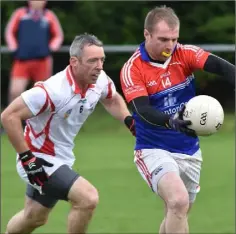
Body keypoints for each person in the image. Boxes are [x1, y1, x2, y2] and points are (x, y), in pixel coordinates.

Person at [1, 33, 135, 234]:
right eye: (92, 61)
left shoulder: (100, 80)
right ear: (74, 62)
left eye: (102, 60)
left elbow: (112, 99)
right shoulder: (53, 90)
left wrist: (129, 121)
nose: (99, 66)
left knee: (34, 217)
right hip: (38, 159)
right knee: (87, 198)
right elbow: (8, 116)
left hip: (61, 159)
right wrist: (28, 159)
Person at [120, 5, 235, 234]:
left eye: (174, 39)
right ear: (147, 34)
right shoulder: (133, 69)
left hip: (190, 150)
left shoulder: (184, 53)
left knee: (176, 214)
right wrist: (171, 120)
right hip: (153, 148)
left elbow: (223, 67)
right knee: (178, 201)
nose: (170, 45)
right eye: (163, 39)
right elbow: (142, 110)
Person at [5, 0, 64, 103]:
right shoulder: (20, 13)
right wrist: (13, 47)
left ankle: (38, 119)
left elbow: (58, 35)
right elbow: (9, 32)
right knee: (15, 92)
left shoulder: (49, 15)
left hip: (43, 61)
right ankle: (13, 117)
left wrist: (51, 48)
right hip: (22, 59)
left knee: (42, 94)